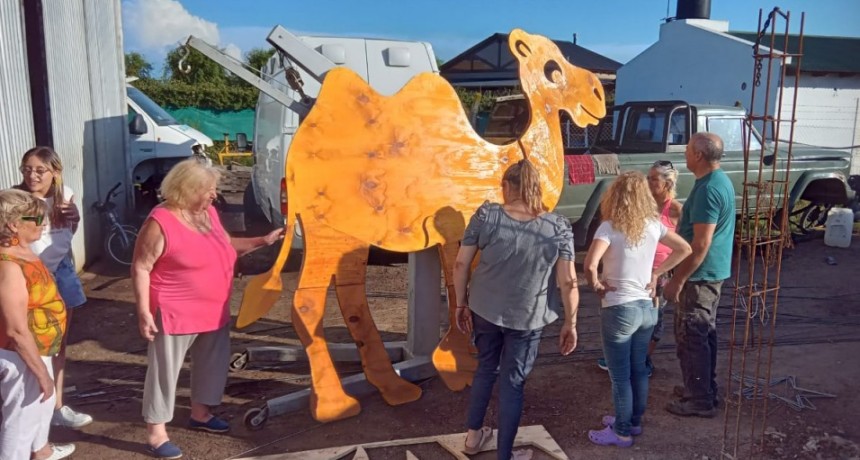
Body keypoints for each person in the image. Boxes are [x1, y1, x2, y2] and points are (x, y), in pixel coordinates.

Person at [132, 158, 283, 459]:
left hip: (214, 308)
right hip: (175, 311)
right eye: (208, 189)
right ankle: (156, 433)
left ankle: (200, 414)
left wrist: (262, 241)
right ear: (186, 189)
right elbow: (141, 267)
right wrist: (144, 311)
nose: (214, 194)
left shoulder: (208, 214)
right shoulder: (160, 221)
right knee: (164, 373)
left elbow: (227, 245)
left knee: (212, 364)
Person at [453, 159, 579, 460]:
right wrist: (571, 322)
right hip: (528, 316)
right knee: (513, 383)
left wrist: (460, 303)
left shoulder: (487, 216)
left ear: (508, 186)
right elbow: (568, 281)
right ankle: (504, 455)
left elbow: (460, 264)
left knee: (486, 368)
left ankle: (473, 437)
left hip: (485, 308)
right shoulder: (557, 227)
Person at [584, 171, 691, 447]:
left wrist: (596, 285)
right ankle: (633, 421)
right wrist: (657, 273)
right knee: (639, 369)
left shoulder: (609, 227)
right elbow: (684, 249)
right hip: (647, 307)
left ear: (615, 195)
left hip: (619, 307)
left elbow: (590, 264)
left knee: (620, 375)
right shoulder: (654, 225)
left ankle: (621, 432)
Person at [16, 146, 93, 429]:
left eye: (40, 170)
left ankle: (56, 407)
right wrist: (35, 210)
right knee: (26, 345)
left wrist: (75, 217)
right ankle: (28, 411)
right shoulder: (16, 199)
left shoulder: (66, 195)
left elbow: (68, 233)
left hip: (60, 271)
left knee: (58, 344)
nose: (32, 175)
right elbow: (23, 237)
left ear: (56, 172)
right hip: (28, 275)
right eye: (27, 169)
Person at [663, 132, 736, 418]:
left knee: (692, 334)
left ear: (699, 155)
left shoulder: (709, 189)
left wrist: (678, 279)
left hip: (700, 275)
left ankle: (700, 399)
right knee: (703, 332)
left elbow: (701, 243)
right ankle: (701, 387)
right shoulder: (716, 181)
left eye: (687, 149)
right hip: (709, 271)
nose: (684, 153)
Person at [0, 189, 75, 460]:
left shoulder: (23, 253)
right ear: (13, 224)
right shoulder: (8, 265)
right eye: (37, 218)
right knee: (20, 423)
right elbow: (16, 330)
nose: (44, 223)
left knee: (37, 410)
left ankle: (40, 452)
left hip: (37, 349)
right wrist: (41, 373)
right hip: (19, 356)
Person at [596, 160, 682, 375]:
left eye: (653, 179)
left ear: (667, 183)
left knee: (653, 317)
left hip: (657, 272)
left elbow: (683, 246)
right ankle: (626, 356)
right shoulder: (643, 204)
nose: (648, 182)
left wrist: (665, 274)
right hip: (634, 269)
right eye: (648, 178)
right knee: (630, 313)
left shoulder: (675, 210)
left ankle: (644, 360)